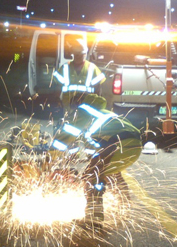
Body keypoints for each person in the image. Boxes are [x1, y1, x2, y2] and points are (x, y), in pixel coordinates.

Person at [49, 93, 141, 223]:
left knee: (90, 176)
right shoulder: (101, 112)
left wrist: (51, 155)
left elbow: (67, 134)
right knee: (110, 174)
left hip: (116, 143)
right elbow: (91, 147)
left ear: (77, 103)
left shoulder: (85, 110)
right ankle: (124, 207)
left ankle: (93, 218)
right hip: (135, 144)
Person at [52, 38, 106, 115]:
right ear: (73, 54)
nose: (78, 56)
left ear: (85, 54)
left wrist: (96, 105)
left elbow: (98, 90)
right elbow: (57, 87)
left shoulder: (92, 68)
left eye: (80, 54)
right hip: (67, 107)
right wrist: (56, 101)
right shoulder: (65, 68)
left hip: (87, 107)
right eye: (76, 54)